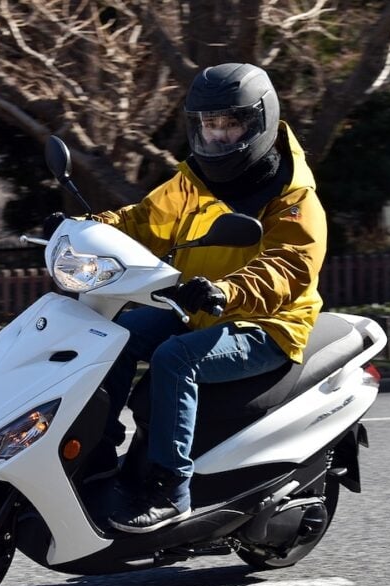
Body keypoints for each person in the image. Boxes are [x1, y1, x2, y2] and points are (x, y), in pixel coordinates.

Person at [52, 63, 328, 533]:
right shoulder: (191, 182)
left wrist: (227, 289)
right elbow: (143, 221)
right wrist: (83, 228)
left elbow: (289, 267)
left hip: (267, 325)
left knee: (174, 359)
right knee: (111, 335)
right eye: (207, 124)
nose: (217, 135)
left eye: (230, 124)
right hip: (198, 307)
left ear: (260, 122)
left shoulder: (293, 198)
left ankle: (170, 489)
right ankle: (96, 454)